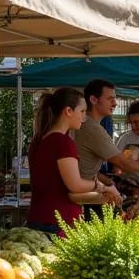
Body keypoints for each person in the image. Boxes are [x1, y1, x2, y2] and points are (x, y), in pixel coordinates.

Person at [27, 88, 119, 233]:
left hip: (37, 218)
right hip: (59, 222)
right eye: (82, 111)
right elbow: (75, 185)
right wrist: (102, 187)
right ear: (68, 111)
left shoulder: (38, 140)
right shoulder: (62, 142)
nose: (84, 117)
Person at [76, 80, 139, 186]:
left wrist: (107, 182)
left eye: (137, 122)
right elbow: (121, 163)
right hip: (81, 191)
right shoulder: (93, 128)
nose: (115, 103)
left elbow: (85, 168)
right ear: (93, 100)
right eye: (110, 99)